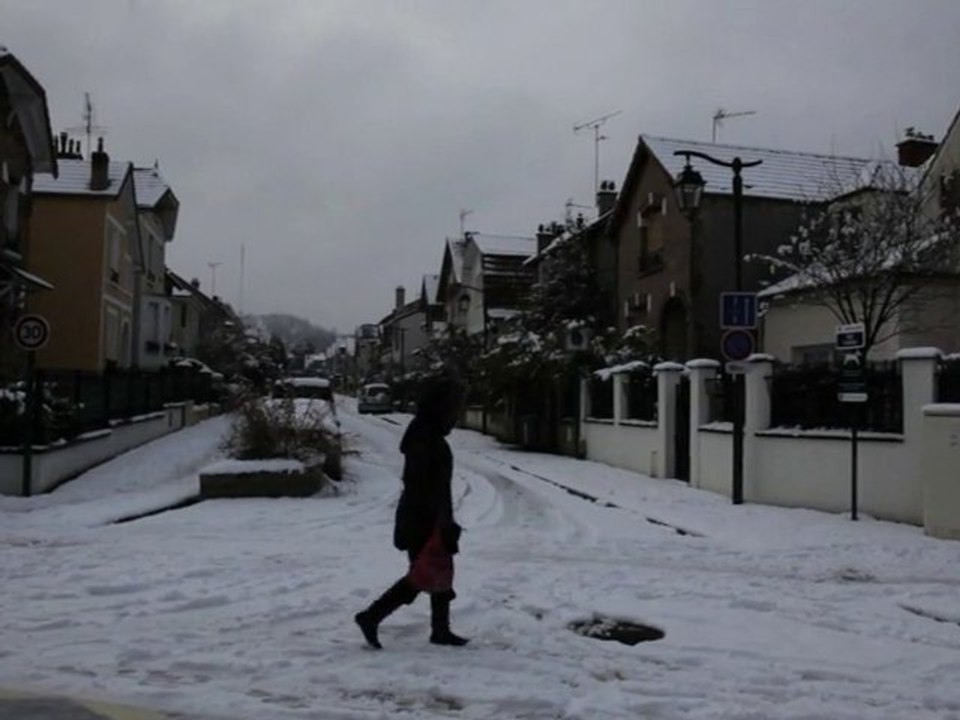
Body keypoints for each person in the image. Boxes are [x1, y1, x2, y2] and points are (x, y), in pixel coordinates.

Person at [354, 376, 470, 649]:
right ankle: (370, 617)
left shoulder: (430, 433)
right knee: (423, 574)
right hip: (422, 517)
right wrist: (437, 520)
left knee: (439, 570)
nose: (456, 414)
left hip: (433, 515)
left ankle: (440, 630)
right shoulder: (424, 437)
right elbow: (418, 483)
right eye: (454, 406)